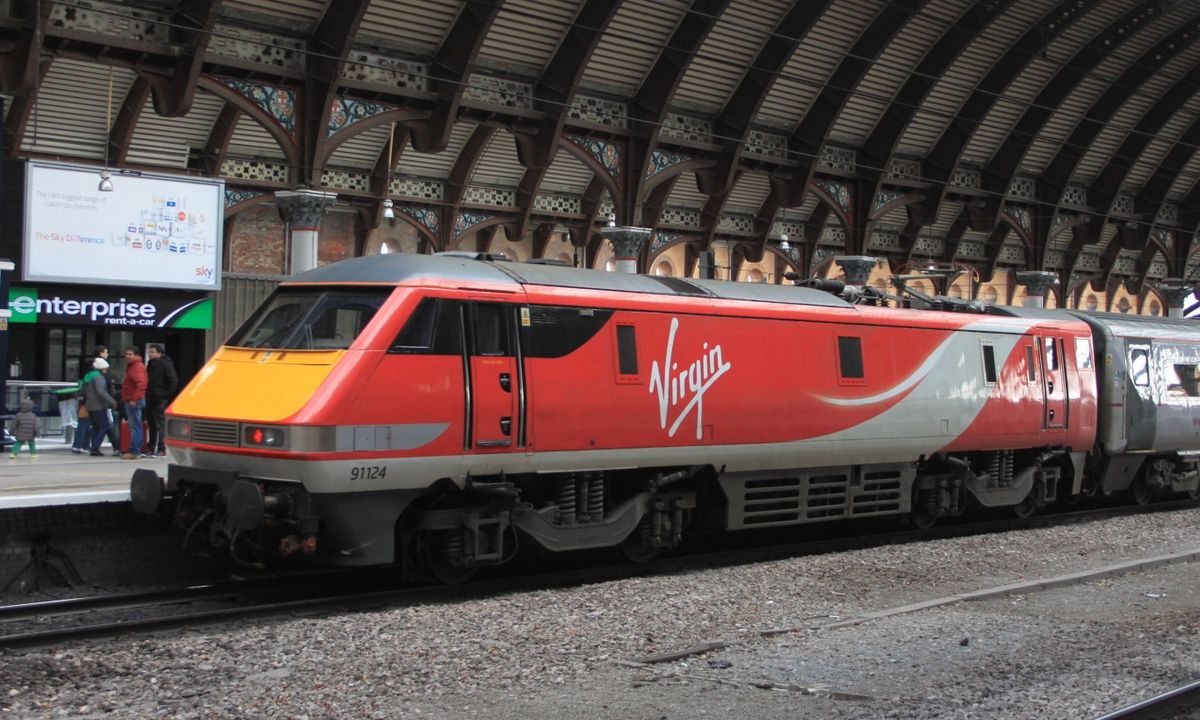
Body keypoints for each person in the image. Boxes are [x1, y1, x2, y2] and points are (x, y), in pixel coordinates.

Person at [145, 343, 178, 457]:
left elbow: (174, 381)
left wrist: (165, 395)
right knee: (151, 424)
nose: (150, 354)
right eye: (149, 352)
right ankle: (151, 447)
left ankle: (161, 448)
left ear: (160, 353)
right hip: (149, 397)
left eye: (153, 352)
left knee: (160, 424)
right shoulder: (150, 364)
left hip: (160, 398)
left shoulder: (165, 364)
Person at [83, 358, 117, 457]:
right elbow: (101, 392)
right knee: (105, 426)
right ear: (101, 369)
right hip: (99, 406)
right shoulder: (99, 378)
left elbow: (84, 391)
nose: (106, 371)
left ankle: (116, 446)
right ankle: (95, 448)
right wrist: (112, 401)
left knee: (96, 427)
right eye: (105, 369)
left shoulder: (88, 376)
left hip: (90, 405)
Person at [120, 346, 148, 459]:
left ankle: (135, 451)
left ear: (136, 355)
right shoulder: (133, 366)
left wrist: (134, 399)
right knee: (136, 425)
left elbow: (141, 384)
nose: (127, 356)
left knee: (135, 426)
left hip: (134, 400)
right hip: (132, 399)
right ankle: (135, 450)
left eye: (130, 354)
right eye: (126, 354)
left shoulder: (136, 367)